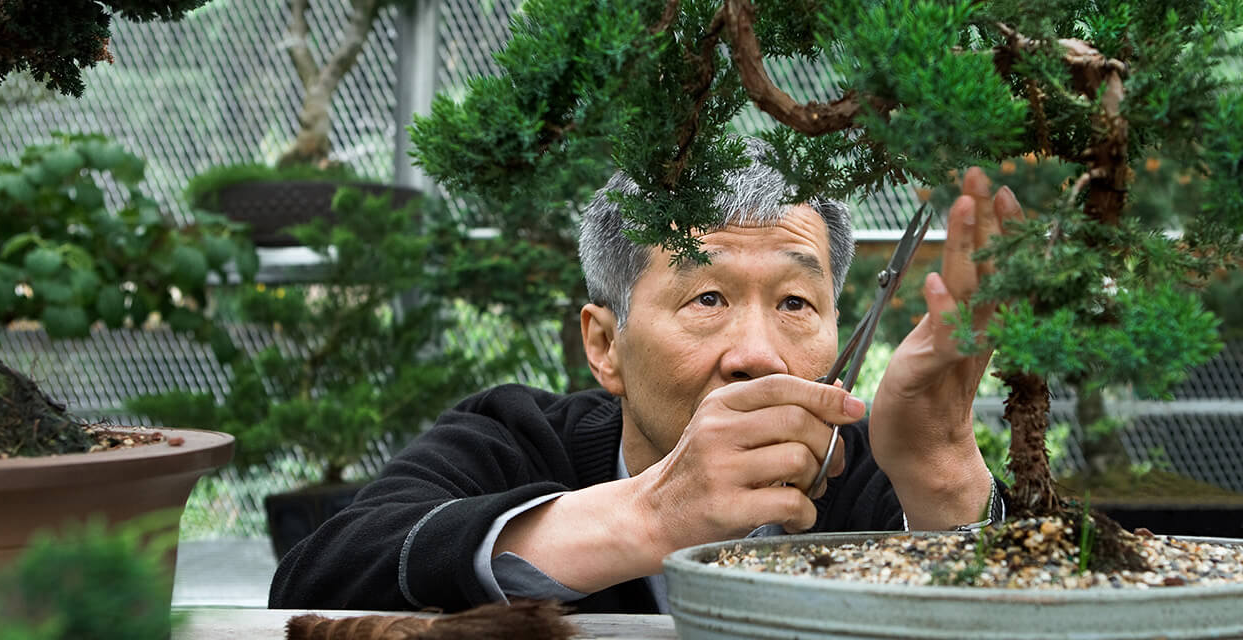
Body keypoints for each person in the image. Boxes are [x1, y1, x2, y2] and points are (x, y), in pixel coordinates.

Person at [268, 137, 1022, 614]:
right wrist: (653, 517)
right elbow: (316, 582)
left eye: (796, 301)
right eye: (706, 297)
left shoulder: (874, 481)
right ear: (604, 345)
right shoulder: (519, 439)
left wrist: (942, 465)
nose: (756, 352)